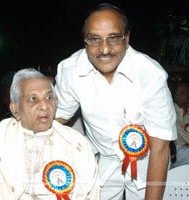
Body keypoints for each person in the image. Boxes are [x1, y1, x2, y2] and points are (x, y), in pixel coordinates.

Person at [54, 3, 177, 200]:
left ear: (126, 39)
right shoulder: (70, 70)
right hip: (102, 164)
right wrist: (8, 134)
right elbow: (54, 119)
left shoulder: (150, 74)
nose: (104, 49)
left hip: (149, 164)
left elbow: (160, 148)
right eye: (94, 39)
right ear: (85, 41)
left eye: (113, 38)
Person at [0, 68, 100, 200]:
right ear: (15, 109)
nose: (44, 106)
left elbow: (91, 192)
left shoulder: (76, 143)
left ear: (56, 103)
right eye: (33, 99)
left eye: (49, 97)